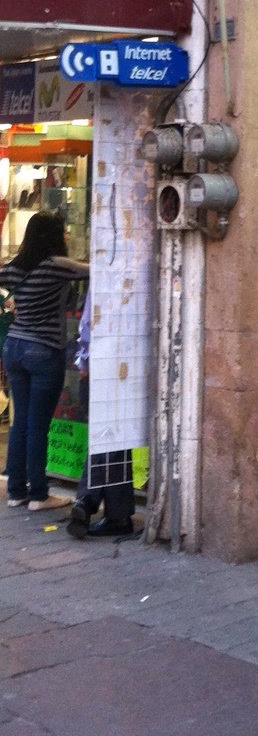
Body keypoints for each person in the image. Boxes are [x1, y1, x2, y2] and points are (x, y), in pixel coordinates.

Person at [1, 212, 89, 511]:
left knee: (20, 424)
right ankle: (38, 495)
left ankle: (15, 491)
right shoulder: (57, 266)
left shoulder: (12, 268)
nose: (66, 235)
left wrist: (11, 306)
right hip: (43, 349)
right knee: (38, 426)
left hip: (14, 346)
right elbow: (97, 269)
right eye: (63, 231)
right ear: (53, 236)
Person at [66, 288, 135, 538]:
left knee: (107, 438)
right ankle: (116, 514)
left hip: (105, 367)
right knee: (112, 439)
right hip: (127, 365)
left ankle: (88, 500)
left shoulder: (106, 275)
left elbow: (88, 326)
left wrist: (85, 363)